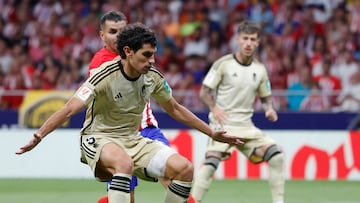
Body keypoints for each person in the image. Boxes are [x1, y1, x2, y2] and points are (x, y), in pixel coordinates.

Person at [15, 23, 243, 203]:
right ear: (128, 52)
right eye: (146, 55)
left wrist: (212, 133)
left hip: (133, 140)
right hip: (98, 137)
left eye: (153, 54)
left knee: (184, 169)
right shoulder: (103, 74)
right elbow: (69, 109)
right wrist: (39, 135)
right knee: (123, 165)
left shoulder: (152, 76)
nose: (152, 61)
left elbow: (174, 108)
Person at [190, 20, 285, 203]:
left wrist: (269, 109)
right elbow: (204, 92)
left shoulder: (260, 69)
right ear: (238, 40)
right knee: (210, 165)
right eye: (245, 38)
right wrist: (213, 107)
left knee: (277, 157)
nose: (249, 43)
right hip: (222, 125)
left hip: (246, 127)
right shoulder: (223, 64)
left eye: (253, 39)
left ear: (258, 43)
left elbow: (266, 97)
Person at [87, 11, 170, 203]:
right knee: (126, 196)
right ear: (102, 35)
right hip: (118, 137)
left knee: (173, 175)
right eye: (112, 31)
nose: (117, 36)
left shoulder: (138, 53)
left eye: (122, 31)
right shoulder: (100, 65)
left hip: (146, 128)